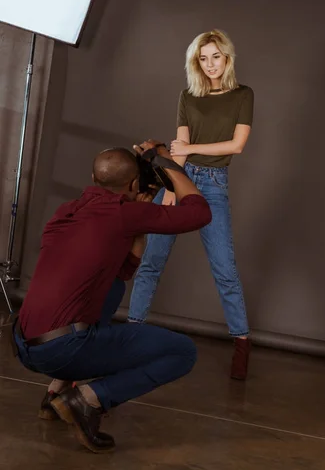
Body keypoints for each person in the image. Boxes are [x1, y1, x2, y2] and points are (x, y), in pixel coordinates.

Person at [12, 141, 211, 454]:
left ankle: (55, 395)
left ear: (94, 178)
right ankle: (87, 400)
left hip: (25, 344)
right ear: (133, 185)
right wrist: (167, 161)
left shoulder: (69, 210)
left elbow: (119, 275)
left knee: (111, 290)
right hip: (60, 349)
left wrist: (140, 226)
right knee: (183, 352)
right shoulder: (124, 215)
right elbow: (199, 213)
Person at [128, 29, 254, 380]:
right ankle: (133, 334)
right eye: (203, 58)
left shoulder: (243, 95)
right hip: (180, 178)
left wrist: (188, 151)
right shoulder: (188, 95)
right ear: (195, 62)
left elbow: (236, 145)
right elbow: (179, 148)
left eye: (216, 56)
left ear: (226, 58)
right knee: (151, 260)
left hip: (213, 185)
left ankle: (241, 344)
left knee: (224, 270)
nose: (210, 64)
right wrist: (170, 187)